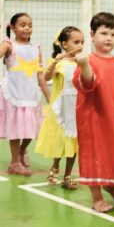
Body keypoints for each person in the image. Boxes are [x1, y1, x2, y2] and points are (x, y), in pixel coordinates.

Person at [73, 11, 114, 213]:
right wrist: (84, 65)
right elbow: (87, 83)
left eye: (113, 34)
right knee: (95, 155)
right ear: (92, 35)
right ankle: (97, 198)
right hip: (92, 120)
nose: (109, 38)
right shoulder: (89, 62)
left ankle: (110, 185)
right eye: (103, 33)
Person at [0, 12, 49, 175]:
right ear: (13, 28)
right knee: (15, 128)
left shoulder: (36, 48)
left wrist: (49, 96)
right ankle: (14, 163)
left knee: (31, 128)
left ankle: (22, 150)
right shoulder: (9, 45)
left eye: (30, 25)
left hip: (31, 93)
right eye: (23, 25)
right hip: (14, 93)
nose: (27, 28)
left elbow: (40, 74)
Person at [36, 26, 83, 188]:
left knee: (73, 143)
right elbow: (46, 77)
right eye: (76, 42)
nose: (80, 45)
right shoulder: (60, 63)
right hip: (60, 109)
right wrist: (55, 61)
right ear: (64, 44)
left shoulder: (81, 62)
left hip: (76, 109)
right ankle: (55, 167)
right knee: (59, 140)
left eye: (82, 42)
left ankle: (68, 175)